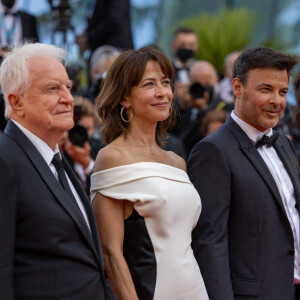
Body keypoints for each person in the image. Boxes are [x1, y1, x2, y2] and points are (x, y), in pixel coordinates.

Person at [90, 46, 209, 300]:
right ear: (124, 97)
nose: (162, 93)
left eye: (165, 82)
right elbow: (111, 253)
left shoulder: (177, 161)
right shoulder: (112, 157)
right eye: (149, 84)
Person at [0, 43, 114, 300]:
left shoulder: (56, 160)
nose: (68, 98)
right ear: (16, 103)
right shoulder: (5, 160)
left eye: (68, 87)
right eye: (52, 88)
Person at [188, 46, 300, 300]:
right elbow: (209, 243)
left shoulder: (283, 143)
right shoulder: (213, 151)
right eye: (266, 89)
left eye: (282, 92)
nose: (277, 101)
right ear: (237, 88)